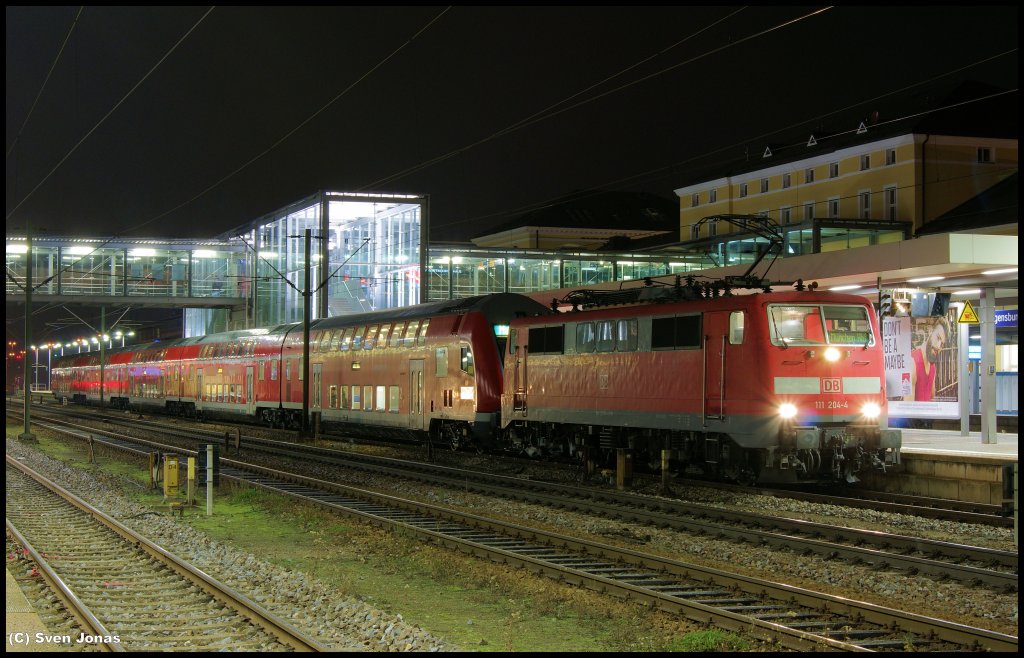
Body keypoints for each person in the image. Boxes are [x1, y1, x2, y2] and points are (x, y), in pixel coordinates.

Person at [908, 316, 949, 401]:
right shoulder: (912, 362)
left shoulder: (932, 367)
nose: (938, 346)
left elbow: (932, 399)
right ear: (930, 331)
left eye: (942, 344)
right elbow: (907, 408)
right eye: (938, 338)